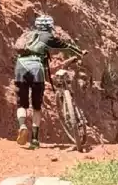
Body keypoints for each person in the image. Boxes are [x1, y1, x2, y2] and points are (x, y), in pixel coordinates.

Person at [12, 14, 80, 148]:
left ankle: (22, 126)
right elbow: (67, 46)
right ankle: (35, 139)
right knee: (36, 107)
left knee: (21, 104)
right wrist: (79, 52)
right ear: (50, 27)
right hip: (37, 68)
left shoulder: (27, 35)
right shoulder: (48, 37)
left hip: (20, 67)